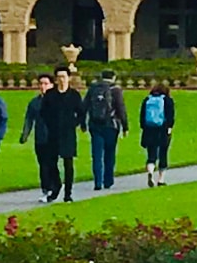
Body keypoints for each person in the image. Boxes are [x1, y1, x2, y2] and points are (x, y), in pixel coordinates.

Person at [22, 66, 84, 203]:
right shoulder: (51, 95)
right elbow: (44, 112)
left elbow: (81, 113)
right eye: (59, 77)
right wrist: (51, 124)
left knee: (68, 163)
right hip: (53, 133)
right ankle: (56, 187)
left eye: (64, 76)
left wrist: (74, 123)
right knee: (51, 163)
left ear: (69, 78)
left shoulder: (74, 95)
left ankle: (68, 193)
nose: (61, 79)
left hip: (68, 134)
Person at [84, 67, 126, 195]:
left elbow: (84, 105)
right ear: (113, 77)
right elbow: (121, 108)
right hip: (111, 126)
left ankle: (97, 182)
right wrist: (125, 126)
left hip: (95, 125)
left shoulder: (93, 89)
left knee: (96, 154)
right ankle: (108, 180)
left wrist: (82, 123)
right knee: (110, 153)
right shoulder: (115, 90)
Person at [137, 72, 177, 185]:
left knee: (151, 154)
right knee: (163, 153)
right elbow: (171, 116)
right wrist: (169, 127)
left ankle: (150, 170)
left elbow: (142, 117)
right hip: (163, 129)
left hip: (149, 130)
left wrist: (144, 128)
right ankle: (161, 179)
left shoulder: (147, 100)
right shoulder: (167, 100)